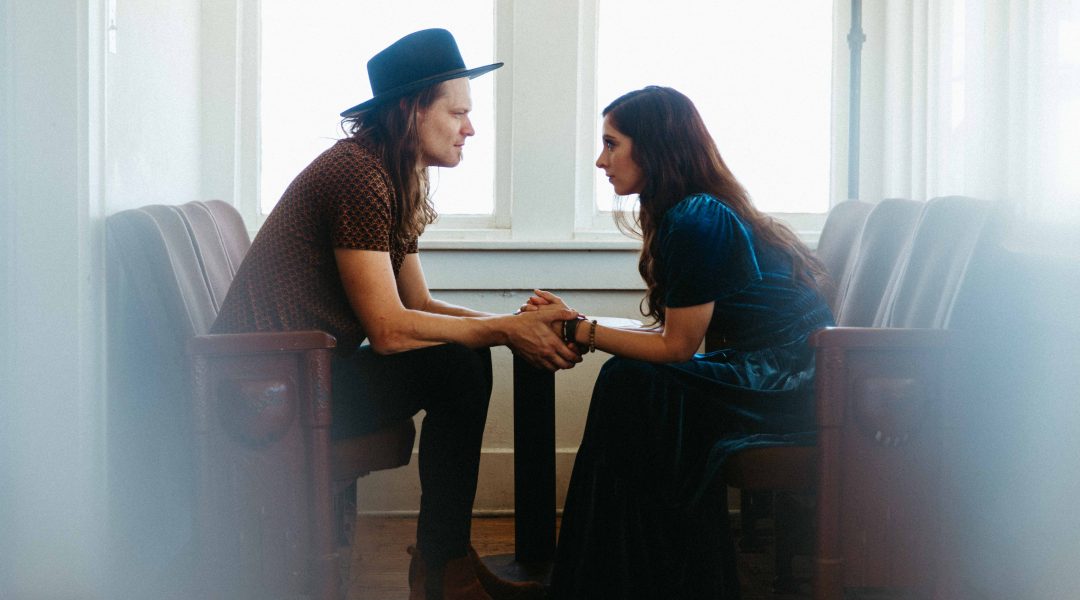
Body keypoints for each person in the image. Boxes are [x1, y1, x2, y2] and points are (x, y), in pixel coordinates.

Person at [211, 29, 574, 600]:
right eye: (458, 113)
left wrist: (513, 324)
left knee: (466, 354)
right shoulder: (357, 174)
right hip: (270, 391)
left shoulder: (391, 174)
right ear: (411, 111)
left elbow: (418, 305)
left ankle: (443, 563)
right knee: (459, 363)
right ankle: (442, 568)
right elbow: (387, 329)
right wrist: (506, 329)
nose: (470, 129)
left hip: (300, 376)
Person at [524, 86, 835, 598]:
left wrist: (579, 331)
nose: (601, 161)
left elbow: (677, 348)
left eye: (611, 144)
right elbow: (669, 336)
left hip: (791, 381)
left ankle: (619, 582)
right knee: (632, 381)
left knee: (629, 382)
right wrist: (575, 320)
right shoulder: (692, 211)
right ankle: (623, 580)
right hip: (769, 369)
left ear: (654, 147)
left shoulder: (697, 217)